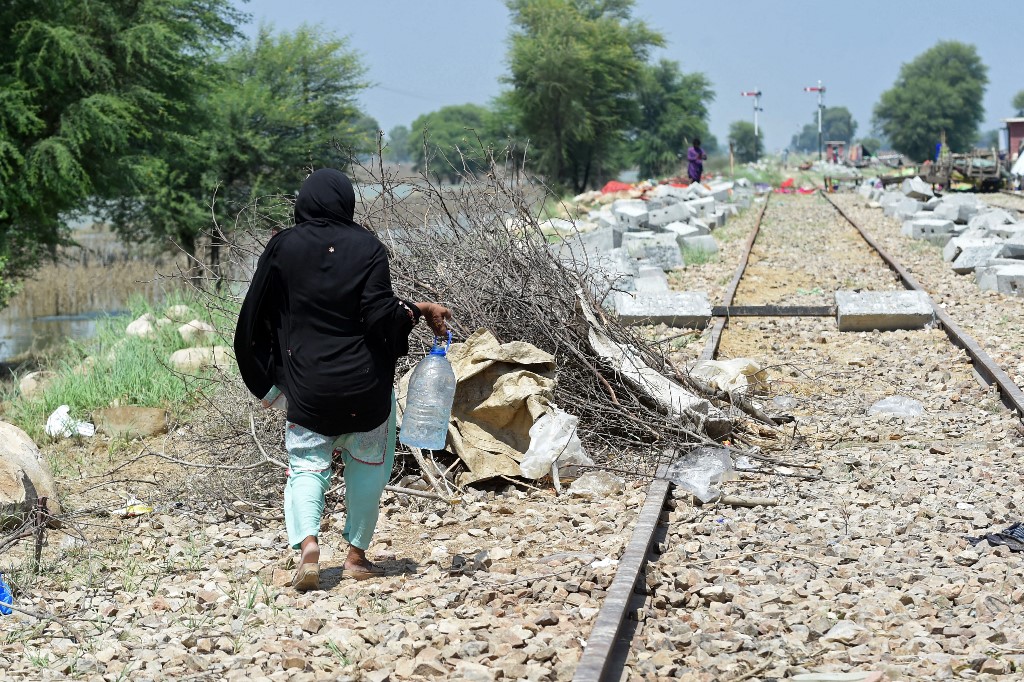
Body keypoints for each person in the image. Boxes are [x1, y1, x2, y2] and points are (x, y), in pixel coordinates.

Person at [235, 168, 452, 590]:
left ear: (304, 203)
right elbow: (379, 315)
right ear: (347, 203)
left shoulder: (282, 248)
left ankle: (308, 546)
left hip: (308, 391)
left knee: (306, 468)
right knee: (370, 467)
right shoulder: (369, 247)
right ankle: (355, 556)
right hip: (367, 390)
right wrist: (416, 310)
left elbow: (251, 321)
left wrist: (265, 385)